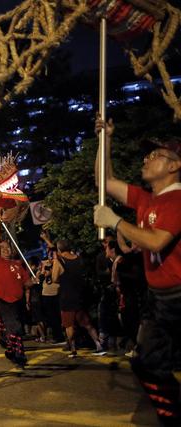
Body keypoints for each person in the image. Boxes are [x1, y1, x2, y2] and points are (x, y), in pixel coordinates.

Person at [93, 117, 181, 425]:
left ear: (174, 166)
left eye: (155, 155)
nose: (146, 159)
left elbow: (157, 242)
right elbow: (105, 182)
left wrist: (116, 221)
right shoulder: (147, 198)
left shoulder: (177, 198)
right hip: (158, 297)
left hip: (179, 294)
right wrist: (105, 140)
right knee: (146, 363)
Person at [0, 213, 36, 368]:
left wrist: (33, 281)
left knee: (14, 327)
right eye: (2, 248)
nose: (6, 249)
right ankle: (19, 356)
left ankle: (10, 350)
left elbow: (25, 283)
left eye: (7, 247)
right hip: (3, 300)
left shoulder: (18, 264)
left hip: (18, 301)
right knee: (15, 327)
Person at [52, 240, 106, 357]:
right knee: (87, 323)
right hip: (80, 295)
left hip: (66, 297)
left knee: (69, 325)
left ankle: (73, 349)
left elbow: (54, 278)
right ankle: (98, 345)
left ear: (59, 249)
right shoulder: (78, 259)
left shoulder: (59, 261)